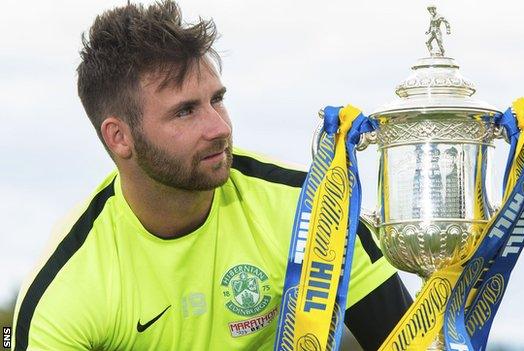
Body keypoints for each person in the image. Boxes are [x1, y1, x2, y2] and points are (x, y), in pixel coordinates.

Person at [11, 1, 412, 350]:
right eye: (185, 111)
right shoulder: (66, 286)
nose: (218, 127)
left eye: (216, 100)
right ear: (119, 137)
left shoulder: (313, 210)